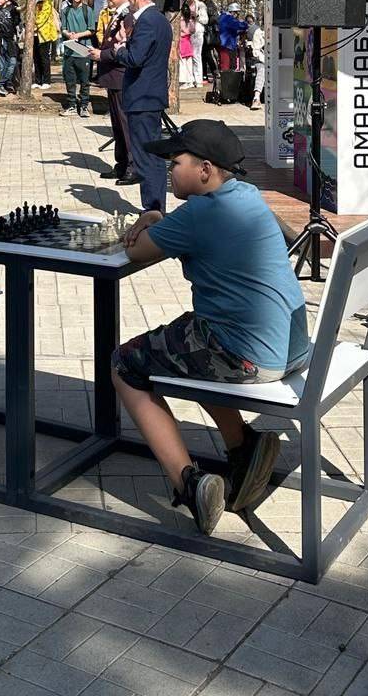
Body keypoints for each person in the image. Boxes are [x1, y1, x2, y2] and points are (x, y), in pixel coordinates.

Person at [113, 120, 309, 534]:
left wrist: (150, 219)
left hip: (250, 356)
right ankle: (243, 446)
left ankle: (190, 484)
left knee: (125, 364)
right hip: (290, 345)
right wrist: (161, 217)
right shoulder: (247, 195)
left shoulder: (200, 213)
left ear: (205, 170)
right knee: (191, 338)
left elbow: (136, 252)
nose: (169, 170)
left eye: (175, 162)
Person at [89, 0, 172, 213]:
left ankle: (153, 209)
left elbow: (135, 58)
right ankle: (155, 208)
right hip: (150, 94)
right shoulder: (160, 19)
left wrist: (119, 48)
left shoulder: (147, 21)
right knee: (151, 153)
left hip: (142, 96)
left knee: (146, 156)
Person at [96, 0, 137, 184]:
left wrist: (102, 55)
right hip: (112, 75)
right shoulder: (116, 14)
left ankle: (132, 166)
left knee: (125, 123)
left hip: (121, 75)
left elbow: (123, 47)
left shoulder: (128, 16)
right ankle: (121, 164)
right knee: (117, 124)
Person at [59, 0, 95, 116]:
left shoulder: (88, 10)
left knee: (85, 80)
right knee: (70, 80)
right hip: (70, 49)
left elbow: (91, 30)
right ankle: (72, 106)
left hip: (84, 49)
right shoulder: (65, 11)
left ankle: (84, 106)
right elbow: (63, 29)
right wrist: (68, 34)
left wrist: (78, 35)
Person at [33, 0, 59, 89]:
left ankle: (46, 81)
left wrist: (32, 25)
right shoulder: (34, 5)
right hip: (34, 35)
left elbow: (41, 19)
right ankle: (37, 80)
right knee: (36, 58)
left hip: (45, 35)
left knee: (44, 57)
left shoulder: (47, 5)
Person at [186, 0, 208, 88]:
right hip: (186, 33)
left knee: (196, 56)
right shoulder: (184, 5)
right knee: (188, 57)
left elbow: (205, 20)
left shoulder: (200, 5)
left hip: (197, 33)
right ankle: (189, 80)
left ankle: (198, 80)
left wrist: (197, 16)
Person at [217, 3, 247, 73]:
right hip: (227, 44)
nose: (237, 15)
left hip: (222, 43)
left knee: (223, 63)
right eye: (237, 13)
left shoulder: (222, 17)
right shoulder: (228, 18)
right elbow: (239, 25)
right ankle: (227, 78)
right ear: (233, 12)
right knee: (227, 65)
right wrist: (246, 24)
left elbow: (229, 29)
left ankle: (225, 77)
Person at [246, 14, 265, 111]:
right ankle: (256, 98)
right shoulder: (258, 32)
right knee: (262, 70)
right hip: (261, 60)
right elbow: (256, 50)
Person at [177, 0, 197, 91]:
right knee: (189, 63)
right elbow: (193, 31)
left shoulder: (179, 21)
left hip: (182, 42)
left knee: (182, 63)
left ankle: (184, 81)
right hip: (188, 42)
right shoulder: (190, 21)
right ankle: (191, 81)